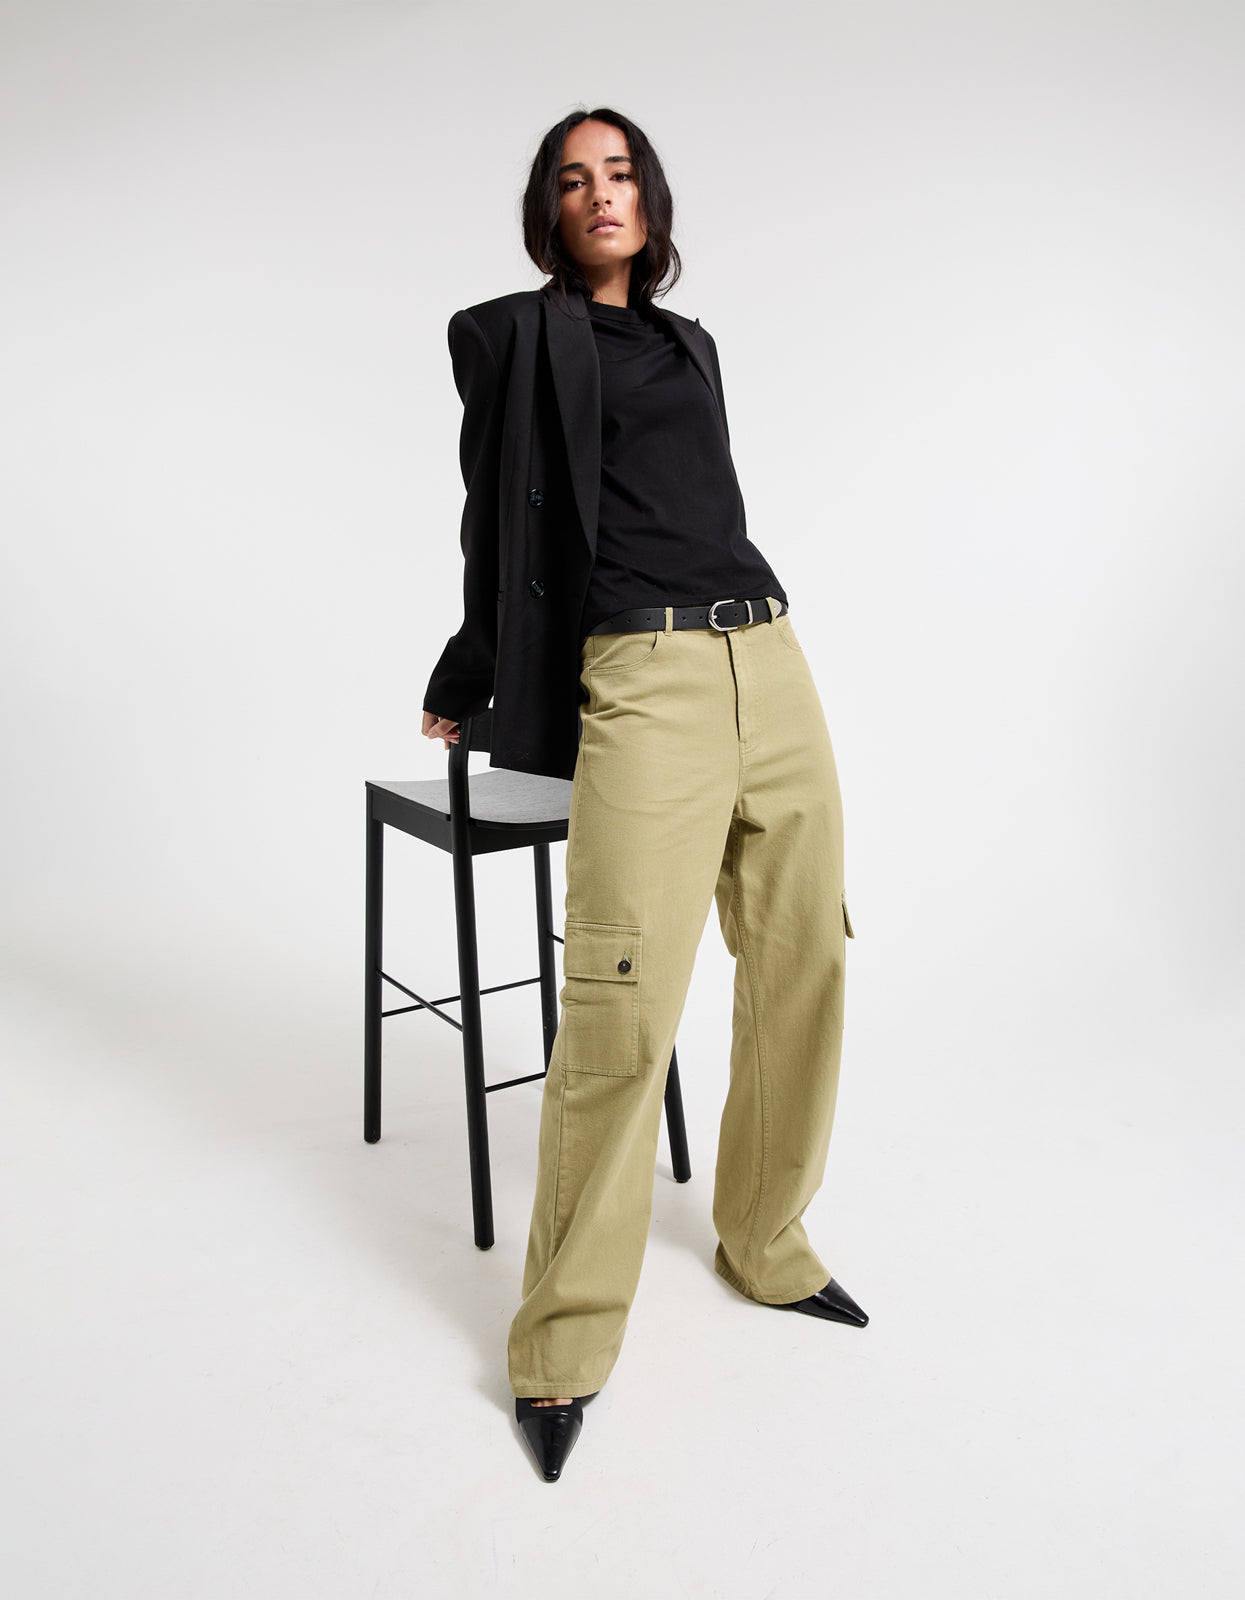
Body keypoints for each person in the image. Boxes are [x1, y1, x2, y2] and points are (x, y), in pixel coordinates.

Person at [422, 107, 867, 1482]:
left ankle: (766, 1241)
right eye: (573, 179)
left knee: (804, 956)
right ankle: (560, 1344)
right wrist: (472, 667)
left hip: (769, 657)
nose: (599, 194)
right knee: (620, 1003)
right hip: (646, 674)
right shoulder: (511, 336)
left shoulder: (692, 345)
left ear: (650, 200)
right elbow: (494, 519)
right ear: (549, 212)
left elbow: (698, 501)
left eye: (619, 173)